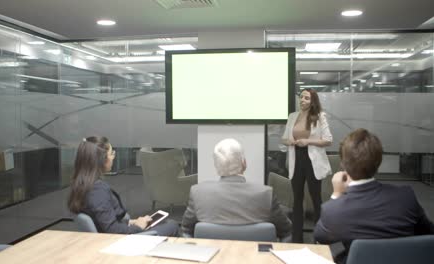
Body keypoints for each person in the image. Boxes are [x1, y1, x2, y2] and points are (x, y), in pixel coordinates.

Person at [314, 129, 434, 263]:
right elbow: (428, 233)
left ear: (343, 165)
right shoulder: (406, 197)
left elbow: (320, 236)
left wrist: (336, 194)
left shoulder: (335, 210)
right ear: (378, 163)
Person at [181, 138, 292, 239]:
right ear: (244, 163)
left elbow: (186, 231)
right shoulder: (265, 193)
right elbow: (286, 231)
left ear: (216, 166)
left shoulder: (198, 192)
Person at [68, 136, 178, 236]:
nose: (113, 157)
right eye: (111, 153)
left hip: (110, 236)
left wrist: (130, 222)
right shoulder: (97, 190)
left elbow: (103, 219)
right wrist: (137, 227)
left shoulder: (81, 184)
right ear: (102, 159)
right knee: (172, 225)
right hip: (119, 242)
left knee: (165, 223)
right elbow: (112, 229)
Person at [282, 88, 333, 243]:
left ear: (313, 101)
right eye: (301, 97)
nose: (302, 100)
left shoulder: (319, 116)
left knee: (316, 198)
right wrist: (289, 141)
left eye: (306, 98)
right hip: (296, 158)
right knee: (297, 200)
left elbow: (328, 140)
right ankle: (297, 238)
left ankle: (319, 237)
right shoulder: (292, 116)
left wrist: (308, 141)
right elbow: (284, 138)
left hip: (313, 161)